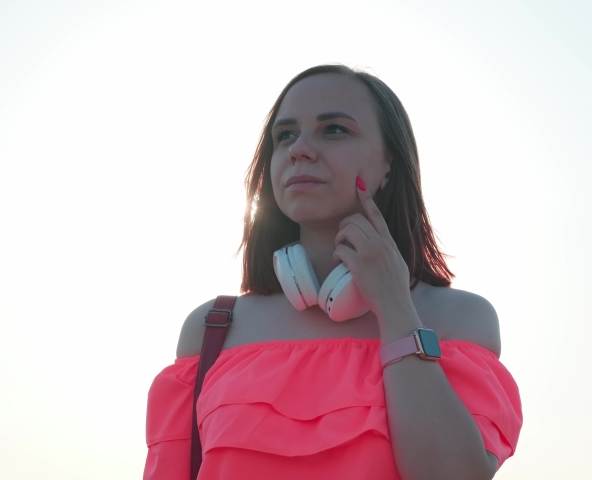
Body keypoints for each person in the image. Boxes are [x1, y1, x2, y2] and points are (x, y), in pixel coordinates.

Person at [143, 64, 523, 479]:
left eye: (334, 130)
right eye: (285, 135)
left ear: (389, 165)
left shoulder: (458, 320)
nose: (299, 150)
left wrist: (395, 309)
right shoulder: (212, 328)